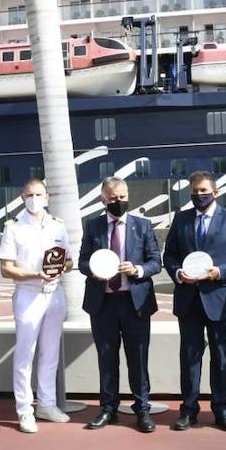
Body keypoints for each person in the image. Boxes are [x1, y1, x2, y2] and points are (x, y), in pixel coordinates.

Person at [163, 171, 226, 432]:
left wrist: (221, 271)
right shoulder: (181, 219)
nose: (199, 195)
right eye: (194, 191)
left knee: (221, 356)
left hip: (220, 297)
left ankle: (221, 409)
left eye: (204, 191)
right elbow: (169, 255)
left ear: (215, 192)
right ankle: (188, 410)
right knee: (190, 357)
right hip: (188, 299)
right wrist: (178, 273)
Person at [78, 177, 162, 433]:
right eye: (113, 198)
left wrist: (137, 269)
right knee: (106, 357)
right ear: (103, 198)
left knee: (138, 358)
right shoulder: (92, 226)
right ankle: (108, 408)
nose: (119, 202)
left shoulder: (143, 225)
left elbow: (155, 262)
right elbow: (82, 262)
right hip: (103, 302)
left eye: (123, 197)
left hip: (135, 302)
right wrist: (94, 270)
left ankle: (142, 409)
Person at [0, 179, 74, 434]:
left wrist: (58, 269)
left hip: (55, 293)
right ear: (22, 197)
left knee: (50, 353)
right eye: (29, 194)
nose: (34, 198)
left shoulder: (57, 225)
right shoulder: (13, 227)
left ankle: (47, 404)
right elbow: (6, 268)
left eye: (39, 194)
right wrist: (35, 275)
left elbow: (70, 262)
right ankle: (24, 410)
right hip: (28, 295)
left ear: (47, 197)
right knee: (24, 355)